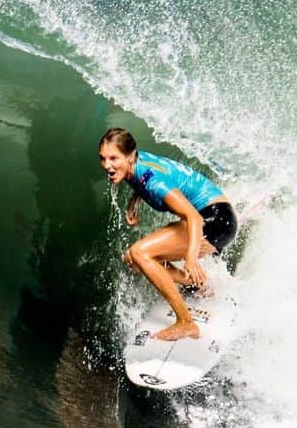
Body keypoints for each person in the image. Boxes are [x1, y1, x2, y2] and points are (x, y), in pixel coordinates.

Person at [98, 128, 237, 341]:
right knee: (132, 260)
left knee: (140, 253)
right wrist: (134, 201)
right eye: (103, 158)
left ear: (131, 155)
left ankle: (186, 323)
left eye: (113, 158)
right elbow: (151, 176)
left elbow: (194, 218)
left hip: (215, 222)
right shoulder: (136, 165)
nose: (107, 165)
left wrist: (190, 260)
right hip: (212, 214)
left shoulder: (152, 181)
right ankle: (194, 284)